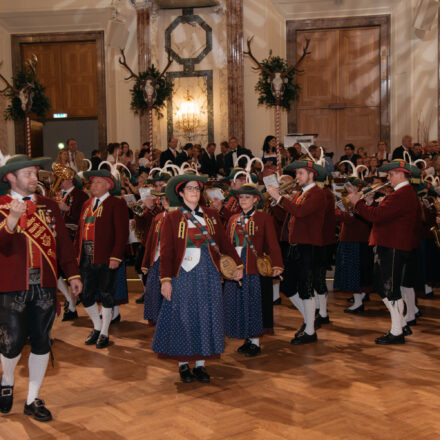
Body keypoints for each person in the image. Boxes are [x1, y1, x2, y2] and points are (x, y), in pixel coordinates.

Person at [0, 154, 82, 422]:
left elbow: (63, 245)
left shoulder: (49, 206)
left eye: (35, 173)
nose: (35, 178)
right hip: (11, 286)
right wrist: (12, 219)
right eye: (28, 174)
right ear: (10, 177)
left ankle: (33, 399)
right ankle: (7, 381)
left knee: (41, 342)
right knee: (10, 345)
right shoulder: (1, 206)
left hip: (45, 286)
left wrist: (72, 274)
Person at [152, 172, 243, 383]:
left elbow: (224, 243)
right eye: (190, 188)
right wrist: (165, 280)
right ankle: (183, 364)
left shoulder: (211, 214)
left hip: (208, 272)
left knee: (207, 315)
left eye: (197, 188)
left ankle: (201, 364)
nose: (194, 192)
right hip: (182, 274)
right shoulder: (173, 218)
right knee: (183, 316)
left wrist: (237, 265)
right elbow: (166, 253)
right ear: (181, 193)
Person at [347, 159, 421, 344]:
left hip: (393, 245)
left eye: (392, 174)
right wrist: (370, 204)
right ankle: (401, 324)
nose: (388, 178)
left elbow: (376, 217)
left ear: (403, 175)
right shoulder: (402, 193)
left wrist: (358, 203)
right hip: (392, 244)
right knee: (386, 287)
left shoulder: (401, 194)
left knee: (388, 288)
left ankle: (397, 331)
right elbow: (382, 216)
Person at [267, 160, 327, 345]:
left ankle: (310, 330)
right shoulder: (302, 194)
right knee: (288, 287)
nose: (297, 177)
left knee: (306, 289)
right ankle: (309, 321)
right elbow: (287, 216)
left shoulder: (318, 194)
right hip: (296, 246)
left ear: (311, 174)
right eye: (297, 174)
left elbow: (300, 213)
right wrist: (276, 202)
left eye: (300, 173)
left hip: (309, 246)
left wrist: (280, 197)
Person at [224, 181, 283, 357]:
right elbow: (227, 244)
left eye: (247, 197)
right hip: (236, 265)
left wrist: (277, 264)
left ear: (255, 200)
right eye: (241, 197)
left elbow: (272, 242)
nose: (243, 200)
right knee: (239, 303)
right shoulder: (233, 219)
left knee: (254, 304)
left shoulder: (264, 218)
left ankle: (255, 342)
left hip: (254, 267)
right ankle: (246, 338)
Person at [74, 169, 129, 349]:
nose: (94, 185)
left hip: (106, 258)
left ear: (108, 185)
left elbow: (122, 233)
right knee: (86, 294)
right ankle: (97, 326)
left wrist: (116, 256)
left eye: (98, 182)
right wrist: (77, 255)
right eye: (92, 182)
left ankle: (104, 332)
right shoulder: (86, 204)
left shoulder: (116, 203)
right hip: (86, 257)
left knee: (106, 294)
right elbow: (79, 232)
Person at [57, 172, 89, 321]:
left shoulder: (80, 195)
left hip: (71, 236)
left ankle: (71, 305)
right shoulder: (59, 194)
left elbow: (81, 217)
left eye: (61, 179)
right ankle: (69, 301)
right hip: (56, 236)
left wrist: (65, 209)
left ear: (70, 180)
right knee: (56, 273)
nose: (58, 182)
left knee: (68, 271)